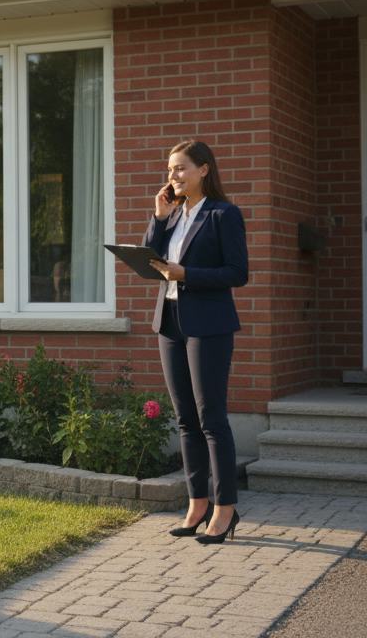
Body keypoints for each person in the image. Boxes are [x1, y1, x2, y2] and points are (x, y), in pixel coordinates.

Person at [144, 140, 248, 545]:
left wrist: (186, 274)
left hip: (209, 326)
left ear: (204, 170)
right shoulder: (171, 215)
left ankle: (225, 510)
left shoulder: (224, 214)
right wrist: (158, 217)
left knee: (212, 420)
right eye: (170, 170)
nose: (173, 176)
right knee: (186, 419)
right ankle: (197, 504)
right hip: (170, 323)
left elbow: (237, 272)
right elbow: (152, 260)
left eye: (180, 169)